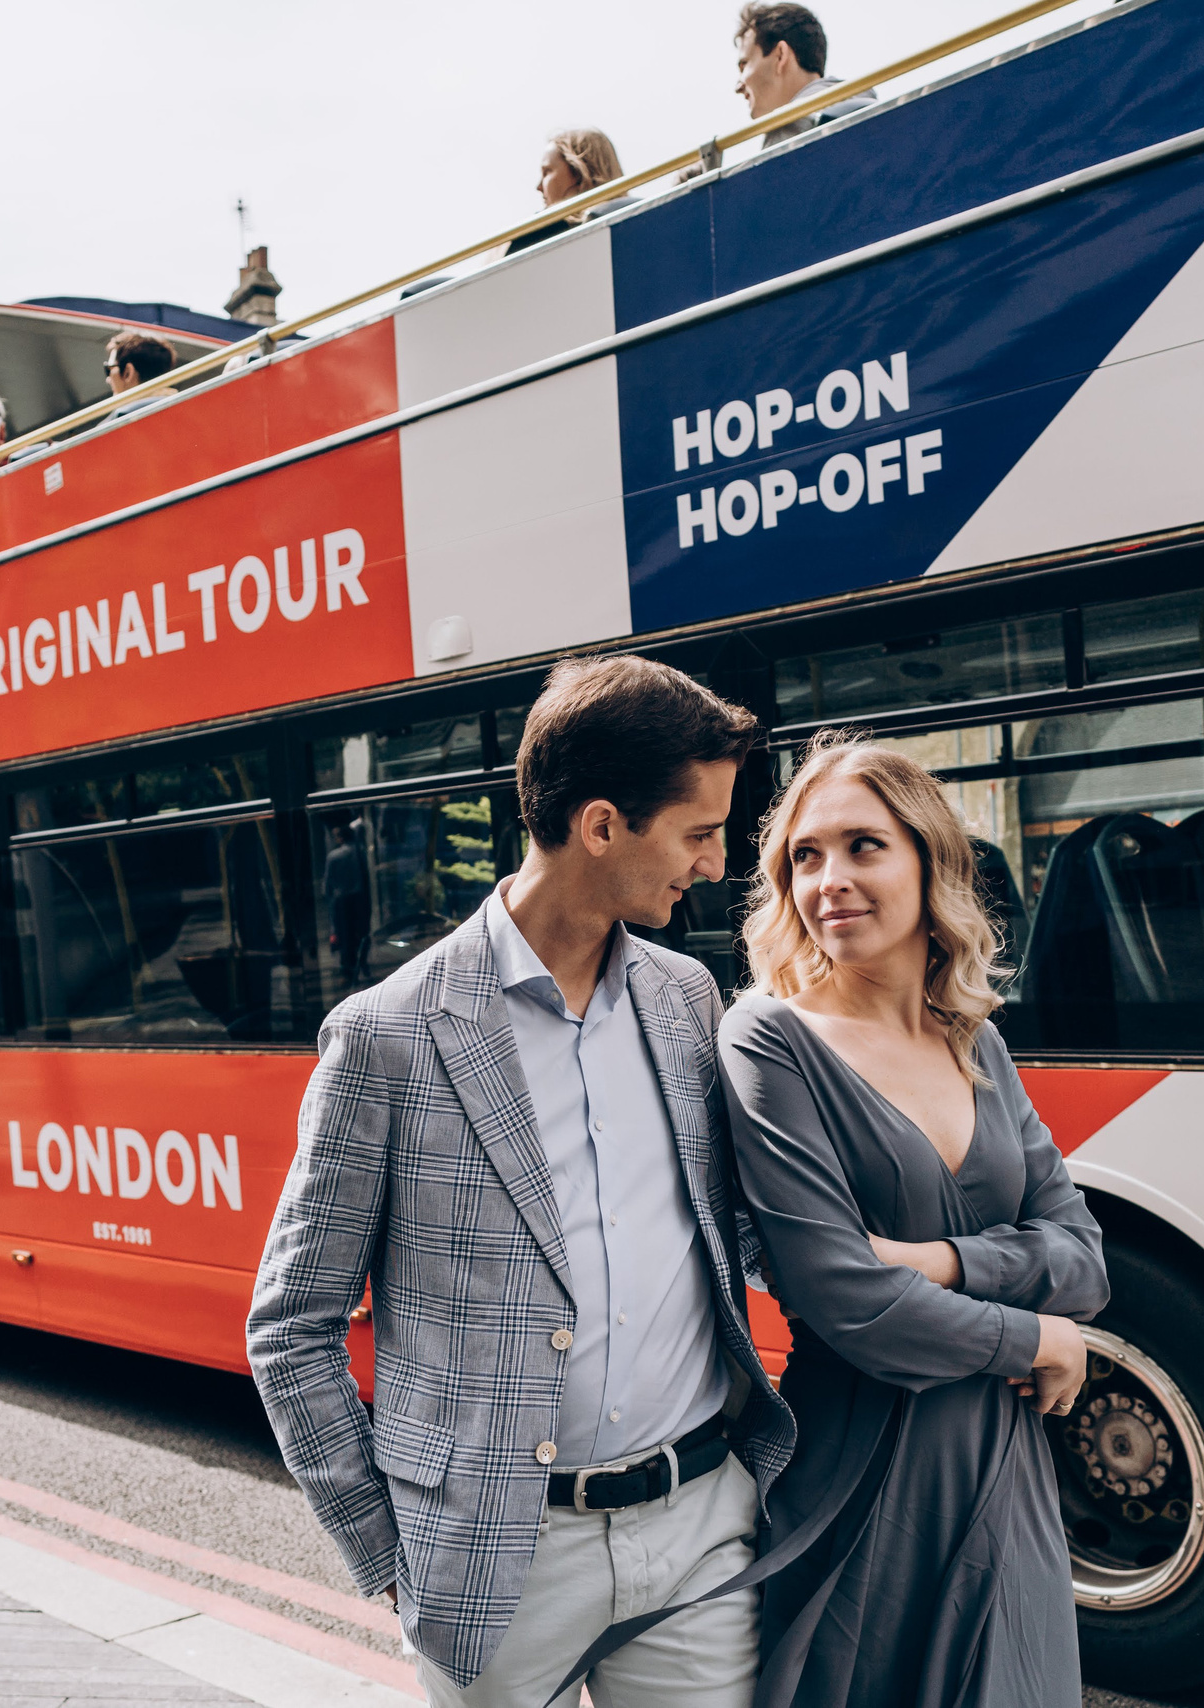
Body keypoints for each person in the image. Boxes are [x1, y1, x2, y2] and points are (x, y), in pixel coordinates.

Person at [249, 656, 793, 1708]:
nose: (717, 862)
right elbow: (291, 1323)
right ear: (600, 826)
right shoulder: (388, 1034)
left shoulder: (686, 996)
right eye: (697, 831)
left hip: (698, 1526)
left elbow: (731, 1229)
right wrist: (389, 1548)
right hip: (499, 1559)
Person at [716, 732, 1108, 1708]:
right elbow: (845, 1300)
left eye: (861, 846)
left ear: (928, 861)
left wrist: (936, 1259)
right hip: (863, 1471)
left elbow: (1087, 1258)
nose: (827, 880)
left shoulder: (973, 1040)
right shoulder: (769, 1038)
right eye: (803, 856)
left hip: (1001, 1460)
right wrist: (1035, 1333)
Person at [735, 3, 873, 149]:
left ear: (780, 55)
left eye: (744, 65)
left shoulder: (790, 134)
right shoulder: (878, 116)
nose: (738, 87)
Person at [506, 129, 633, 256]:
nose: (539, 187)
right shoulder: (637, 219)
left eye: (547, 172)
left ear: (579, 173)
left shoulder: (540, 235)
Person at [322, 819, 372, 985]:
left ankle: (347, 970)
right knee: (360, 933)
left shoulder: (334, 856)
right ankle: (361, 965)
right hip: (359, 899)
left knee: (344, 935)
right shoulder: (360, 853)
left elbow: (327, 885)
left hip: (341, 902)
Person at [105, 330, 180, 414]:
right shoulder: (187, 406)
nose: (108, 379)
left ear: (128, 372)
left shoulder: (120, 419)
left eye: (109, 369)